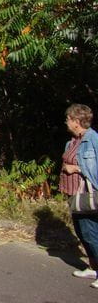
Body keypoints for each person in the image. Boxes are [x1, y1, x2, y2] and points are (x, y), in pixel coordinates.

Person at [61, 103, 98, 289]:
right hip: (74, 194)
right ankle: (93, 267)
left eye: (68, 119)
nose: (66, 122)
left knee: (90, 233)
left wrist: (76, 168)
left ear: (77, 121)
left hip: (87, 195)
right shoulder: (72, 141)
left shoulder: (93, 139)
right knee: (81, 232)